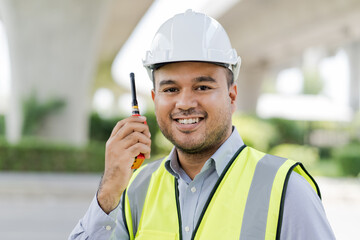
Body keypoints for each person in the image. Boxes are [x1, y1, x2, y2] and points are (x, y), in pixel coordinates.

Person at [69, 9, 335, 240]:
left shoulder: (287, 190)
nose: (184, 102)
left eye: (202, 86)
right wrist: (108, 192)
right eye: (171, 89)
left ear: (232, 96)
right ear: (154, 98)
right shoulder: (135, 190)